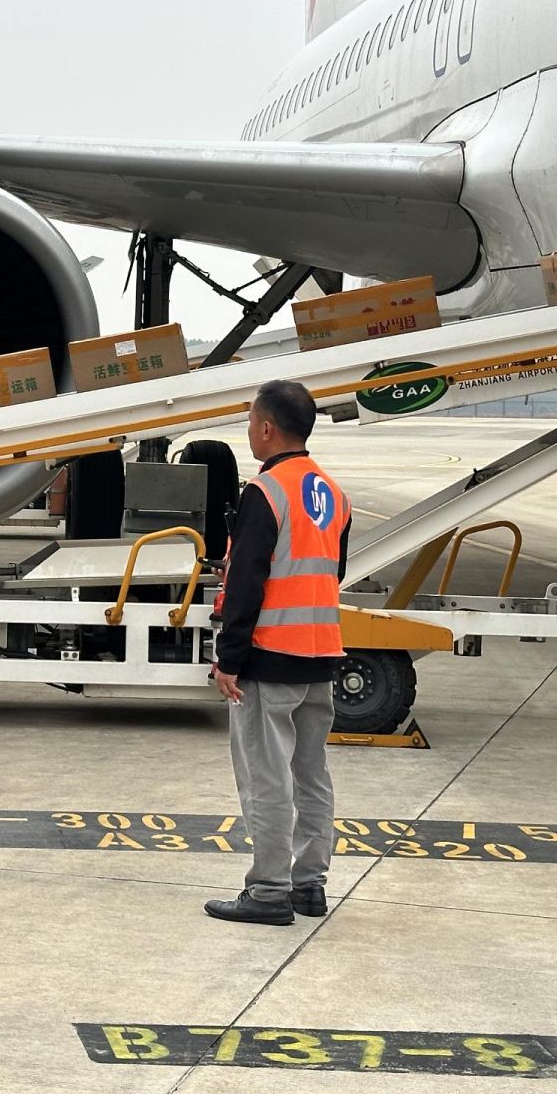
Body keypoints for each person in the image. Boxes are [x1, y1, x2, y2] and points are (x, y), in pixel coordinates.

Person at [205, 379, 351, 927]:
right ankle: (309, 884)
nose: (248, 431)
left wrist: (231, 656)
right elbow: (326, 570)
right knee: (311, 774)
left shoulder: (264, 493)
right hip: (321, 654)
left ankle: (268, 891)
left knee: (266, 777)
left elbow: (248, 582)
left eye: (249, 422)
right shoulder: (334, 493)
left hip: (270, 656)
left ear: (266, 429)